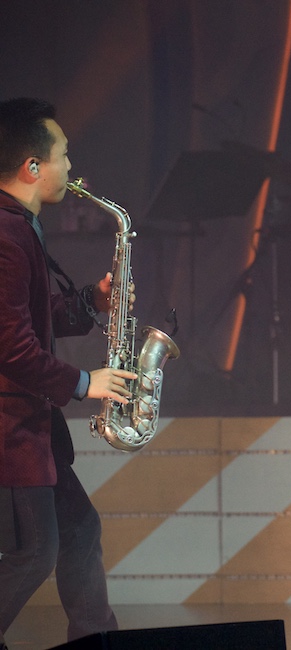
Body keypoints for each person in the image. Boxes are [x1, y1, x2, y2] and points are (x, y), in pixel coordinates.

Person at [0, 97, 136, 642]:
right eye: (64, 155)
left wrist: (91, 302)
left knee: (79, 531)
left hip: (32, 427)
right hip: (11, 430)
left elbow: (32, 317)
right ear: (33, 166)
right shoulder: (6, 235)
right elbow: (11, 347)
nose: (72, 168)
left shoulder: (20, 227)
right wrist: (84, 383)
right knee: (36, 552)